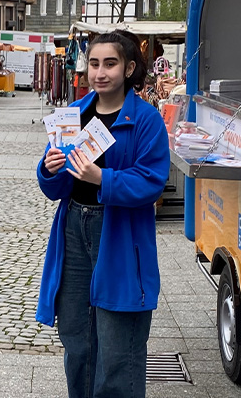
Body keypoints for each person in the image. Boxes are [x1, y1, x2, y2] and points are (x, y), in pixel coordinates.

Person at [36, 30, 170, 398]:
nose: (100, 72)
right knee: (77, 340)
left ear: (128, 68)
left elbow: (152, 183)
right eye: (94, 63)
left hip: (120, 236)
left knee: (117, 348)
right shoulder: (74, 114)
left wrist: (102, 178)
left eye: (110, 63)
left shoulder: (145, 121)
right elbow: (55, 187)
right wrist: (49, 169)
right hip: (73, 228)